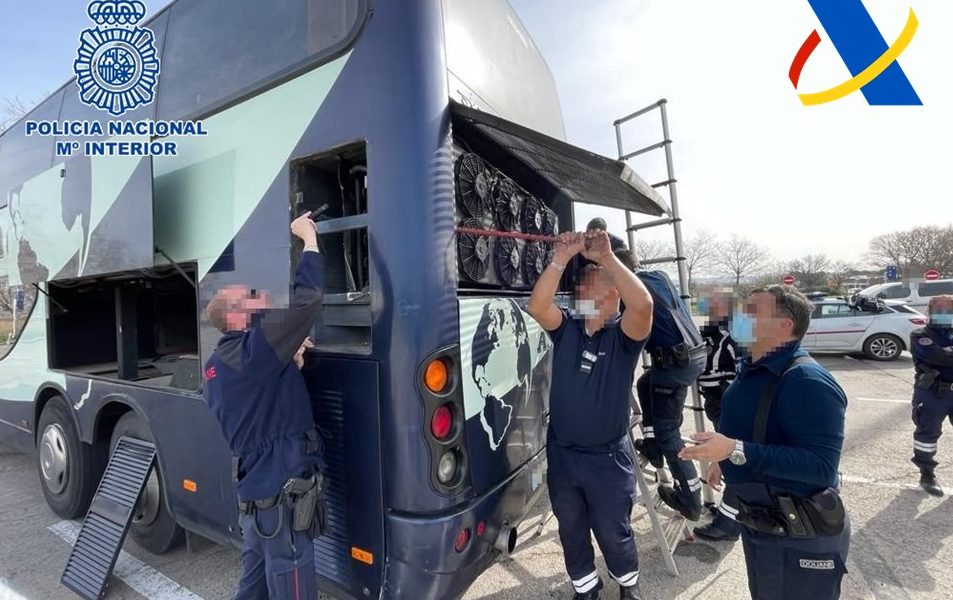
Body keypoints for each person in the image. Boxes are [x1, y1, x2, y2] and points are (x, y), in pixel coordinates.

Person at [681, 285, 850, 600]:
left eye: (752, 311)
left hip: (800, 537)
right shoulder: (754, 369)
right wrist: (724, 458)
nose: (739, 318)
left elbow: (821, 468)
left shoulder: (806, 381)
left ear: (784, 325)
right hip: (762, 525)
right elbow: (754, 429)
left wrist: (735, 450)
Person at [204, 212, 327, 600]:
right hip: (281, 491)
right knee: (290, 578)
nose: (262, 297)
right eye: (251, 296)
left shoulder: (217, 364)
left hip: (257, 496)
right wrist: (308, 240)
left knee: (254, 585)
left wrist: (285, 361)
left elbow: (259, 396)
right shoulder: (254, 353)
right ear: (238, 316)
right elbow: (308, 300)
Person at [528, 230, 653, 600]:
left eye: (594, 287)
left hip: (606, 462)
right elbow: (537, 307)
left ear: (614, 295)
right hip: (564, 456)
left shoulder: (624, 339)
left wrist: (609, 260)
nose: (582, 293)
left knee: (614, 530)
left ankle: (628, 585)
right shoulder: (566, 330)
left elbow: (643, 306)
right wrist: (560, 258)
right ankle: (586, 588)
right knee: (571, 528)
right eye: (580, 288)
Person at [630, 257, 707, 521]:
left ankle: (690, 498)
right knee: (644, 383)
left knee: (669, 433)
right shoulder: (659, 276)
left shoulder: (631, 287)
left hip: (675, 364)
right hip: (689, 356)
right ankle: (652, 445)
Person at [693, 287, 743, 541]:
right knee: (729, 455)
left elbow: (744, 365)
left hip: (728, 398)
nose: (706, 307)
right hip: (717, 398)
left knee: (733, 458)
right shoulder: (711, 329)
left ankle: (728, 524)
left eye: (712, 303)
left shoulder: (737, 329)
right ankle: (730, 515)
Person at [909, 294, 953, 496]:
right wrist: (944, 353)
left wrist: (947, 351)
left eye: (949, 310)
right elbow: (935, 356)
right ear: (931, 311)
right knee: (927, 435)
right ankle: (927, 474)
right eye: (941, 310)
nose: (945, 314)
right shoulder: (920, 335)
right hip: (933, 392)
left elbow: (944, 355)